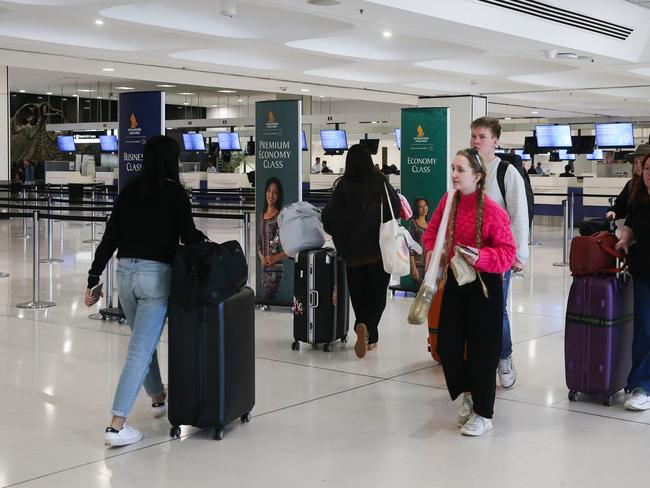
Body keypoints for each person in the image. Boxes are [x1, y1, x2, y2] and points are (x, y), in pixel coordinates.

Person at [84, 135, 206, 447]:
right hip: (155, 278)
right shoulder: (174, 192)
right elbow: (188, 234)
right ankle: (116, 424)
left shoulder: (129, 191)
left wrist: (93, 277)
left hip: (125, 274)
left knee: (143, 339)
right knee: (140, 348)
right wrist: (206, 243)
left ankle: (157, 396)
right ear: (170, 160)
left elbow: (110, 237)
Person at [423, 148, 515, 436]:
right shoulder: (448, 201)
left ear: (477, 176)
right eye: (453, 168)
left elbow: (507, 253)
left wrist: (482, 257)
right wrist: (430, 251)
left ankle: (483, 413)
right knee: (448, 346)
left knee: (483, 353)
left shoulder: (492, 211)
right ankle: (468, 392)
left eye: (460, 170)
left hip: (484, 287)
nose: (454, 175)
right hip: (455, 282)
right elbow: (431, 232)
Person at [322, 144, 401, 358]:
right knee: (376, 298)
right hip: (378, 252)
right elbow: (397, 209)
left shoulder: (342, 187)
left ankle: (362, 327)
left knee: (359, 297)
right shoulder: (380, 184)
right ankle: (369, 333)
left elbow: (328, 220)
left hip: (352, 257)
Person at [470, 116, 529, 389]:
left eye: (482, 136)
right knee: (474, 310)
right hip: (470, 254)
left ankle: (504, 357)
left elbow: (519, 214)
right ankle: (480, 358)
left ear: (495, 141)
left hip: (498, 254)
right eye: (473, 136)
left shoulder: (506, 172)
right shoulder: (468, 170)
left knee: (497, 310)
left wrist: (519, 254)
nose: (476, 141)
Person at [615, 154, 650, 411]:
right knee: (644, 329)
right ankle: (640, 386)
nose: (648, 173)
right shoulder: (639, 198)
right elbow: (630, 226)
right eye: (647, 168)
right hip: (643, 271)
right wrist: (624, 239)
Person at [258, 177, 288, 301]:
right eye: (269, 191)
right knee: (265, 301)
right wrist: (261, 257)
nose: (271, 195)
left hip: (276, 270)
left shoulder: (280, 217)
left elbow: (290, 249)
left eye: (275, 192)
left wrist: (275, 258)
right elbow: (259, 243)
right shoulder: (262, 215)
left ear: (278, 195)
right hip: (264, 268)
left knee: (268, 299)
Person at [606, 144, 650, 221]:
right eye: (636, 162)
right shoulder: (631, 184)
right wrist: (612, 212)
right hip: (632, 229)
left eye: (642, 162)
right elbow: (620, 206)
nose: (638, 166)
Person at [408, 197, 429, 289]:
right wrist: (413, 268)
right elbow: (410, 246)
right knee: (419, 296)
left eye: (425, 205)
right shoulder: (413, 223)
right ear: (417, 209)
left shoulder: (429, 224)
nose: (424, 208)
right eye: (420, 207)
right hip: (418, 266)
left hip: (428, 266)